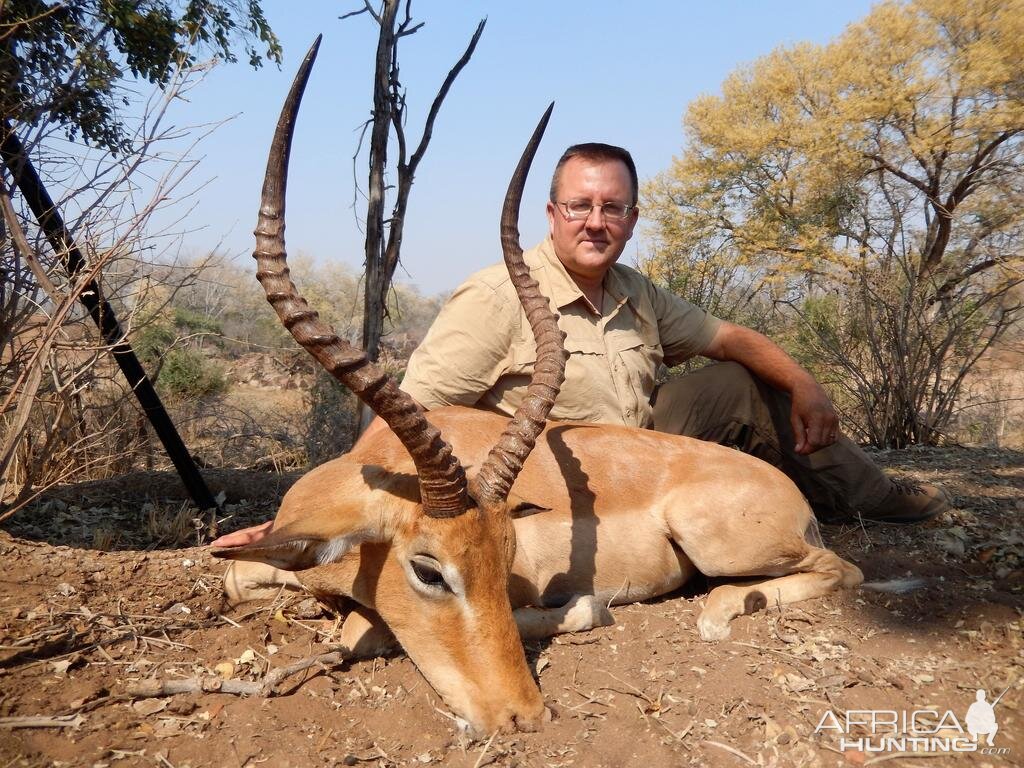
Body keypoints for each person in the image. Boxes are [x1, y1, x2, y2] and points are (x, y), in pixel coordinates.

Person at [213, 142, 947, 548]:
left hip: (645, 450)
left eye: (611, 207)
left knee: (745, 381)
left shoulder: (637, 287)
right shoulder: (497, 294)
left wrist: (810, 386)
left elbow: (734, 335)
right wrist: (319, 508)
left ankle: (871, 497)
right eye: (580, 206)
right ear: (554, 213)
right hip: (548, 481)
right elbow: (409, 411)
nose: (595, 221)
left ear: (631, 215)